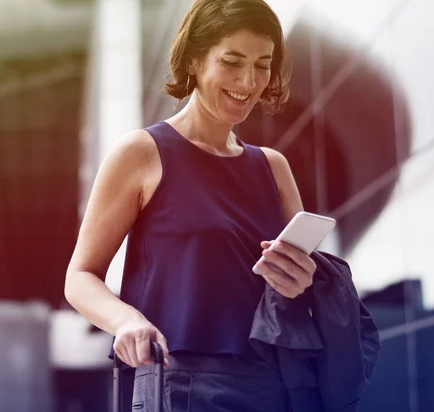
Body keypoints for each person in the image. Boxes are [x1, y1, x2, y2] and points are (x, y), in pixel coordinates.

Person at [65, 0, 318, 410]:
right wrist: (127, 321)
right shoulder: (142, 153)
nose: (248, 80)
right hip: (178, 384)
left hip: (275, 387)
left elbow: (299, 295)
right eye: (232, 61)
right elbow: (79, 278)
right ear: (195, 60)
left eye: (262, 64)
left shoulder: (274, 167)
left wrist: (302, 283)